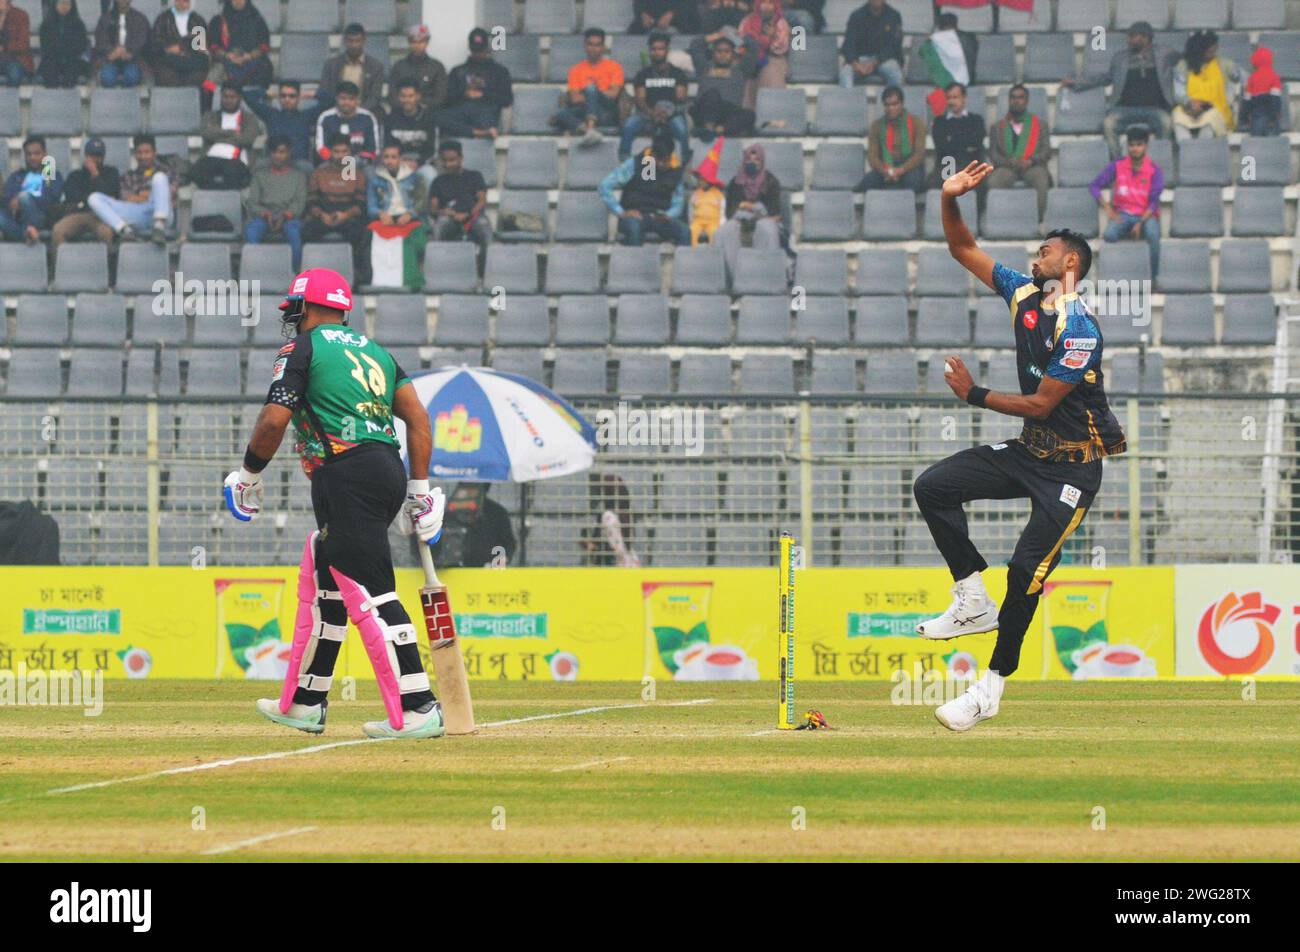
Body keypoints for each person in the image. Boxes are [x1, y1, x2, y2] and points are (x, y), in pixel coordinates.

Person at [916, 159, 1126, 732]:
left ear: (1071, 263)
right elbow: (963, 249)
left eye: (1045, 252)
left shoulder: (1080, 328)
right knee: (933, 487)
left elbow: (1042, 403)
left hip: (1071, 473)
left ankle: (988, 690)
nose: (1035, 259)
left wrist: (973, 394)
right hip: (1029, 452)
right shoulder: (1023, 293)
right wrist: (948, 196)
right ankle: (969, 598)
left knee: (1026, 571)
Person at [225, 267, 448, 739]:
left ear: (311, 307)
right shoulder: (379, 354)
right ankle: (306, 701)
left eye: (297, 309)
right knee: (329, 588)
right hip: (385, 470)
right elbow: (419, 420)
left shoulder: (303, 348)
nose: (294, 318)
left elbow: (273, 420)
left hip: (345, 475)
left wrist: (247, 475)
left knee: (371, 590)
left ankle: (419, 706)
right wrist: (419, 490)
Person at [1060, 20, 1177, 157]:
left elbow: (1187, 57)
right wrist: (1076, 82)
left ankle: (1156, 165)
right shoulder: (1120, 57)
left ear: (1145, 37)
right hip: (1124, 108)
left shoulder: (1164, 54)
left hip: (1155, 108)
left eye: (1133, 36)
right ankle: (1118, 165)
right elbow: (1106, 78)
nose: (1128, 40)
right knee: (1108, 124)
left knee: (1167, 123)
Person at [1090, 126, 1163, 277]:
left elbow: (1154, 202)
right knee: (1109, 235)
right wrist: (1108, 208)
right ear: (1127, 146)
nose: (1135, 149)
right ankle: (1114, 275)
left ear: (1146, 146)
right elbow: (1094, 186)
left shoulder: (1154, 170)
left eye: (1139, 145)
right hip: (1123, 214)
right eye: (1132, 145)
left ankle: (1153, 278)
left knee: (1153, 235)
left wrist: (1140, 223)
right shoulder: (1117, 166)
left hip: (1146, 215)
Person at [600, 130, 689, 247]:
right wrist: (620, 212)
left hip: (659, 216)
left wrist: (669, 215)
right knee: (634, 229)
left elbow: (678, 201)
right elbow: (604, 186)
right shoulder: (635, 163)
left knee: (684, 232)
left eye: (665, 160)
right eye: (659, 160)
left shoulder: (675, 169)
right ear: (652, 154)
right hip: (635, 215)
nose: (662, 164)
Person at [302, 134, 370, 286]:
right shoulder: (319, 173)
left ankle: (355, 276)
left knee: (362, 233)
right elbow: (312, 200)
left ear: (350, 152)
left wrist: (345, 215)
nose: (340, 155)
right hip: (324, 214)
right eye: (336, 152)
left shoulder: (357, 174)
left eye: (344, 151)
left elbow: (361, 204)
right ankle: (312, 277)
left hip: (348, 215)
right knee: (306, 231)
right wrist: (321, 215)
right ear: (330, 152)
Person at [87, 133, 175, 245]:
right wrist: (151, 195)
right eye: (139, 153)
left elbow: (170, 194)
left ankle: (159, 226)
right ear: (135, 154)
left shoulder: (167, 171)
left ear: (154, 152)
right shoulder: (128, 176)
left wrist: (140, 195)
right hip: (139, 214)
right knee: (94, 198)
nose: (143, 156)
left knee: (159, 177)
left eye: (147, 152)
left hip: (164, 216)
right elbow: (126, 199)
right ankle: (125, 231)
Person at [714, 142, 784, 281]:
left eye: (756, 160)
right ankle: (732, 280)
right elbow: (729, 213)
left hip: (765, 219)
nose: (752, 163)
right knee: (723, 232)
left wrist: (754, 210)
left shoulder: (771, 181)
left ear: (762, 161)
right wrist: (741, 206)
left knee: (767, 230)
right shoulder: (735, 182)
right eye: (749, 159)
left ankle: (767, 278)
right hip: (740, 220)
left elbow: (776, 215)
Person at [620, 33, 690, 161]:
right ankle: (624, 161)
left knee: (681, 129)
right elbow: (640, 100)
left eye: (660, 49)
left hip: (672, 114)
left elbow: (681, 98)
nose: (657, 52)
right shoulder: (643, 74)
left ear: (667, 50)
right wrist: (653, 113)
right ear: (649, 51)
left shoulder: (678, 74)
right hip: (646, 114)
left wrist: (666, 113)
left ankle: (685, 161)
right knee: (629, 125)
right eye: (653, 49)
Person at [987, 83, 1052, 220]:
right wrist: (1008, 162)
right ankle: (999, 220)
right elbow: (993, 154)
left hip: (1032, 166)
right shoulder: (997, 127)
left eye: (1020, 97)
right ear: (1008, 100)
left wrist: (1030, 161)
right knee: (993, 181)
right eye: (1013, 97)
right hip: (1007, 167)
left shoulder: (1040, 125)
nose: (1016, 100)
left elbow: (1046, 152)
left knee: (1041, 179)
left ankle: (1037, 221)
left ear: (1026, 101)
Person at [551, 27, 624, 147]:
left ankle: (589, 129)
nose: (593, 49)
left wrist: (592, 95)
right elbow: (574, 99)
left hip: (606, 112)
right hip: (584, 111)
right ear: (585, 46)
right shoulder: (576, 70)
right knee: (560, 113)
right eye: (590, 44)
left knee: (591, 89)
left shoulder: (614, 67)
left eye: (597, 45)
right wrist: (593, 97)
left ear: (603, 47)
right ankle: (589, 131)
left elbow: (613, 95)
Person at [367, 143, 427, 289]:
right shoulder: (376, 179)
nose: (390, 161)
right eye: (386, 157)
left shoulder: (415, 177)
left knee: (413, 241)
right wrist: (380, 213)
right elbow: (371, 204)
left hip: (408, 218)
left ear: (400, 158)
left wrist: (410, 214)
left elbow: (422, 201)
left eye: (394, 157)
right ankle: (379, 280)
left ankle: (410, 281)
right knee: (371, 239)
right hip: (385, 218)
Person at [436, 27, 513, 140]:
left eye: (480, 50)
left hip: (487, 112)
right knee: (437, 117)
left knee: (485, 119)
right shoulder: (457, 71)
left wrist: (483, 95)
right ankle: (479, 133)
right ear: (470, 48)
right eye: (475, 50)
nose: (478, 54)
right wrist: (464, 94)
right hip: (462, 111)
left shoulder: (499, 71)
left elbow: (507, 100)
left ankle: (479, 132)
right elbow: (447, 99)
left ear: (487, 48)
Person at [244, 135, 307, 270]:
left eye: (282, 152)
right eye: (275, 152)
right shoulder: (259, 175)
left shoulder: (299, 176)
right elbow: (252, 202)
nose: (278, 156)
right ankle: (256, 271)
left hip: (290, 218)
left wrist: (285, 215)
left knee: (294, 232)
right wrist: (265, 214)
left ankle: (295, 272)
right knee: (252, 231)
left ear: (289, 153)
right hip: (264, 216)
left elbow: (300, 202)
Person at [427, 139, 490, 267]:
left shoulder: (475, 176)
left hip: (473, 216)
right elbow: (433, 209)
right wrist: (445, 212)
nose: (448, 164)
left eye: (452, 160)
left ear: (461, 158)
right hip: (449, 217)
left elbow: (482, 201)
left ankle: (485, 271)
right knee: (439, 226)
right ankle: (438, 269)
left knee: (484, 226)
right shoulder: (438, 181)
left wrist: (468, 214)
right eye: (444, 160)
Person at [190, 81, 263, 190]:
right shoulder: (210, 116)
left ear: (239, 98)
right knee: (196, 171)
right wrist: (232, 133)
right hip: (211, 157)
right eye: (225, 96)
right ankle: (217, 193)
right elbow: (206, 132)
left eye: (232, 97)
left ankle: (227, 199)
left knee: (232, 172)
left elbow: (247, 139)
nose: (228, 100)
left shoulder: (249, 118)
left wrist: (219, 136)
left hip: (236, 161)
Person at [1172, 30, 1243, 141]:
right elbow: (1178, 92)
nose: (1213, 50)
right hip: (1189, 108)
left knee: (1209, 123)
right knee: (1177, 118)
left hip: (1215, 109)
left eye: (1214, 47)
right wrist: (1191, 103)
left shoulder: (1224, 64)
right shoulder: (1183, 66)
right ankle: (1185, 151)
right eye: (1209, 48)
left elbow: (1242, 77)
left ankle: (1202, 153)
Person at [50, 136, 118, 251]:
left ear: (103, 157)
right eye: (92, 155)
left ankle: (109, 268)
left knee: (106, 233)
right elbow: (71, 196)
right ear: (86, 156)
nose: (95, 159)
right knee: (58, 230)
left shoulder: (111, 173)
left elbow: (111, 196)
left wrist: (95, 175)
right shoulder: (75, 175)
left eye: (98, 156)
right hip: (78, 214)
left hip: (101, 217)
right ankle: (58, 267)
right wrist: (92, 200)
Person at [427, 483, 517, 569]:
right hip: (451, 569)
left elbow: (508, 543)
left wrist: (503, 558)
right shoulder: (450, 509)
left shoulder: (496, 512)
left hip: (485, 569)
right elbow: (434, 540)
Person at [245, 80, 330, 170]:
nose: (287, 99)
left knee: (307, 168)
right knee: (259, 166)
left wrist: (309, 94)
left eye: (292, 96)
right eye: (283, 96)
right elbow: (248, 96)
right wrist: (268, 93)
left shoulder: (307, 116)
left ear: (298, 98)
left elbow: (330, 100)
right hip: (274, 161)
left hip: (298, 162)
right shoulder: (271, 114)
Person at [856, 85, 926, 192]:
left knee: (913, 182)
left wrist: (901, 170)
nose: (890, 108)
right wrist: (886, 172)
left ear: (902, 104)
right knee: (866, 183)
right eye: (887, 105)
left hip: (910, 167)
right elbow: (872, 156)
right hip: (885, 167)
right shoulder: (877, 126)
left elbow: (919, 154)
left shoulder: (917, 123)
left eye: (894, 104)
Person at [689, 31, 757, 141]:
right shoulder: (704, 67)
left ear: (733, 54)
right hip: (705, 110)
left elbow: (753, 47)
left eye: (727, 51)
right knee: (712, 94)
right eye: (719, 51)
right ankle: (708, 127)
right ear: (713, 53)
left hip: (728, 114)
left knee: (750, 115)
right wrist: (716, 36)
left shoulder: (741, 70)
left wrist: (736, 37)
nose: (722, 55)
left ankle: (716, 131)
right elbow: (695, 45)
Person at [1, 137, 63, 243]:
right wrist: (11, 202)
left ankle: (23, 234)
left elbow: (52, 199)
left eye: (36, 154)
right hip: (17, 218)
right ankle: (27, 235)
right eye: (28, 154)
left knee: (24, 196)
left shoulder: (51, 175)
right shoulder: (17, 176)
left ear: (45, 154)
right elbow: (6, 198)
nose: (32, 157)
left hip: (40, 217)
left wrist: (23, 199)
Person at [917, 12, 978, 113]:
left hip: (944, 88)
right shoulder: (970, 38)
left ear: (940, 27)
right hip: (969, 84)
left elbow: (922, 52)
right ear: (956, 25)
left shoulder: (934, 41)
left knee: (934, 101)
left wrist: (930, 39)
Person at [320, 22, 386, 115]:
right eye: (350, 41)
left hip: (364, 113)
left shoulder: (376, 66)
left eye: (357, 41)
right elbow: (325, 92)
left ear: (364, 41)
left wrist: (359, 112)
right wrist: (340, 110)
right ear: (344, 41)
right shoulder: (331, 65)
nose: (354, 45)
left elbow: (375, 97)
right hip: (336, 114)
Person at [928, 82, 985, 190]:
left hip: (970, 164)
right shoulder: (939, 122)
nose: (951, 101)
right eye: (948, 98)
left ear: (964, 98)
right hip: (947, 165)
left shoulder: (976, 120)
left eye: (955, 97)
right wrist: (966, 144)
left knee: (979, 182)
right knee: (935, 182)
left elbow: (977, 142)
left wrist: (952, 139)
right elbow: (942, 147)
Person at [839, 0, 904, 92]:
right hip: (860, 60)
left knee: (894, 73)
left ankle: (892, 105)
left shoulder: (894, 16)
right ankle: (848, 104)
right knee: (845, 72)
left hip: (884, 60)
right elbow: (848, 44)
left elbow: (894, 46)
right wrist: (855, 63)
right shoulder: (856, 16)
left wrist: (875, 62)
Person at [207, 0, 272, 90]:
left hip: (252, 61)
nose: (238, 1)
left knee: (264, 69)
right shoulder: (218, 21)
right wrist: (227, 55)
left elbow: (264, 45)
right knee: (209, 82)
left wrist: (249, 56)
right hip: (225, 61)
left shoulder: (257, 20)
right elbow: (212, 46)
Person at [738, 0, 790, 110]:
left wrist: (772, 36)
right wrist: (757, 45)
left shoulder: (781, 23)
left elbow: (781, 47)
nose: (766, 6)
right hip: (750, 57)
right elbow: (741, 42)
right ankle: (749, 115)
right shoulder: (747, 21)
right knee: (748, 70)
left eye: (770, 3)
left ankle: (774, 114)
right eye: (763, 2)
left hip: (774, 57)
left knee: (769, 70)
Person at [315, 80, 381, 166]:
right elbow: (321, 148)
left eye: (351, 99)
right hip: (332, 162)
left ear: (357, 100)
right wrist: (337, 160)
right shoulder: (326, 118)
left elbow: (374, 149)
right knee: (320, 173)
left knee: (371, 174)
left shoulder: (368, 118)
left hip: (360, 164)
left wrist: (352, 161)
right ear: (336, 98)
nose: (347, 102)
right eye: (343, 98)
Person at [385, 82, 439, 184]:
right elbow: (386, 146)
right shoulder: (391, 118)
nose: (407, 100)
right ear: (398, 97)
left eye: (410, 96)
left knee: (431, 175)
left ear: (418, 96)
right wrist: (398, 162)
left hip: (421, 163)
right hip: (396, 162)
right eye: (403, 96)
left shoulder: (429, 118)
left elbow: (433, 151)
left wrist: (417, 163)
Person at [581, 474, 640, 567]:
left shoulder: (608, 516)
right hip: (631, 563)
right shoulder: (627, 513)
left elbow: (615, 546)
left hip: (618, 567)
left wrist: (591, 545)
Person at [149, 0, 208, 90]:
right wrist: (167, 49)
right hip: (169, 59)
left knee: (199, 71)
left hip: (191, 59)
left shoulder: (198, 20)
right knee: (166, 73)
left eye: (185, 1)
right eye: (178, 1)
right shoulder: (162, 19)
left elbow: (201, 45)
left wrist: (183, 49)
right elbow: (155, 42)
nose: (181, 3)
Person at [387, 23, 447, 112]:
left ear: (427, 42)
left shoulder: (437, 67)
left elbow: (440, 97)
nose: (417, 45)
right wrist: (407, 106)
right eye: (414, 42)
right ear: (409, 42)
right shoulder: (399, 67)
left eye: (421, 41)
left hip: (429, 114)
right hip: (402, 114)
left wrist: (417, 105)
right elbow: (392, 95)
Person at [92, 0, 150, 88]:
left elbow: (142, 40)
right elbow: (100, 39)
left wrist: (128, 51)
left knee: (131, 77)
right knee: (107, 78)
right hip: (109, 59)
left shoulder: (140, 18)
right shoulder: (106, 18)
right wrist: (112, 52)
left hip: (133, 60)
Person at [38, 0, 91, 88]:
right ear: (55, 5)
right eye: (61, 3)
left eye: (67, 3)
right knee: (50, 72)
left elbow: (81, 45)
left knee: (71, 73)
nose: (64, 6)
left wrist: (67, 53)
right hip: (52, 59)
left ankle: (69, 101)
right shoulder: (46, 24)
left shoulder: (79, 24)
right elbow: (45, 46)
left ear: (72, 6)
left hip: (72, 59)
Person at [688, 138, 727, 245]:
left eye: (702, 180)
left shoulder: (718, 195)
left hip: (713, 222)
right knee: (691, 231)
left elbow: (722, 211)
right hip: (698, 221)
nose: (700, 182)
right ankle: (693, 253)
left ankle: (712, 255)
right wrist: (691, 221)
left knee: (714, 234)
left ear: (709, 181)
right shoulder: (696, 194)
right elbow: (691, 208)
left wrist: (721, 224)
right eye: (699, 179)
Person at [1242, 46, 1283, 137]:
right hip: (1271, 118)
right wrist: (1274, 117)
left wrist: (1244, 118)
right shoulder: (1275, 77)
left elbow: (1247, 101)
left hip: (1256, 118)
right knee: (1272, 146)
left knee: (1257, 146)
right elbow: (1275, 100)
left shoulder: (1251, 79)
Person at [0, 0, 34, 86]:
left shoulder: (21, 15)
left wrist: (5, 47)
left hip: (16, 58)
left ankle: (10, 99)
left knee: (14, 75)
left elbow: (23, 43)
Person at [631, 0, 697, 34]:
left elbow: (690, 5)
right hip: (649, 26)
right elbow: (638, 4)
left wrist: (673, 13)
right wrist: (643, 14)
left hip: (680, 25)